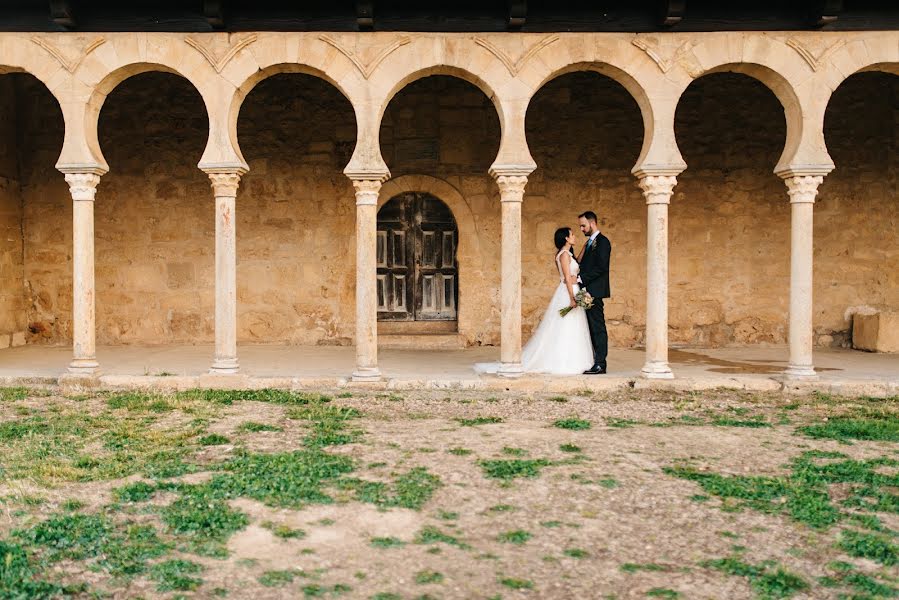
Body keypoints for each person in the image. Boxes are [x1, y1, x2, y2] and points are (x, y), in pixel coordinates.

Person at [475, 227, 593, 375]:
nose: (575, 236)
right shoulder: (563, 255)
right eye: (572, 234)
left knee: (573, 325)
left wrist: (584, 247)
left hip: (574, 289)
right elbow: (568, 279)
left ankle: (574, 358)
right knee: (566, 325)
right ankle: (564, 360)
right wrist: (572, 298)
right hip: (568, 291)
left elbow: (577, 264)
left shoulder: (568, 254)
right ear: (566, 238)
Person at [576, 211, 611, 374]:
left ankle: (600, 363)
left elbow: (601, 267)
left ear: (592, 223)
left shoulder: (603, 242)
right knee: (588, 325)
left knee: (597, 326)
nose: (581, 229)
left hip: (594, 291)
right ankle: (593, 359)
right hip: (586, 291)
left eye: (583, 225)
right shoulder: (589, 243)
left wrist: (581, 278)